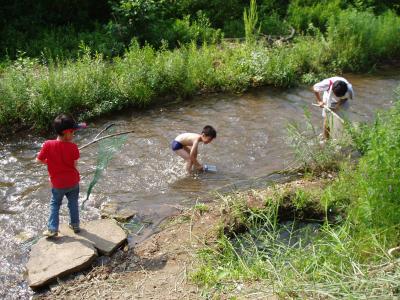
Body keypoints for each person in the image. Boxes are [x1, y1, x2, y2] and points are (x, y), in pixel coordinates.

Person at [37, 114, 86, 238]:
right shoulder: (74, 147)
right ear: (67, 133)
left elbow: (39, 159)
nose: (74, 134)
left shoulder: (48, 144)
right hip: (73, 182)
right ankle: (75, 225)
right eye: (73, 132)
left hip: (58, 184)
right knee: (73, 203)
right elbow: (75, 165)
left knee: (55, 205)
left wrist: (50, 162)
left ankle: (53, 229)